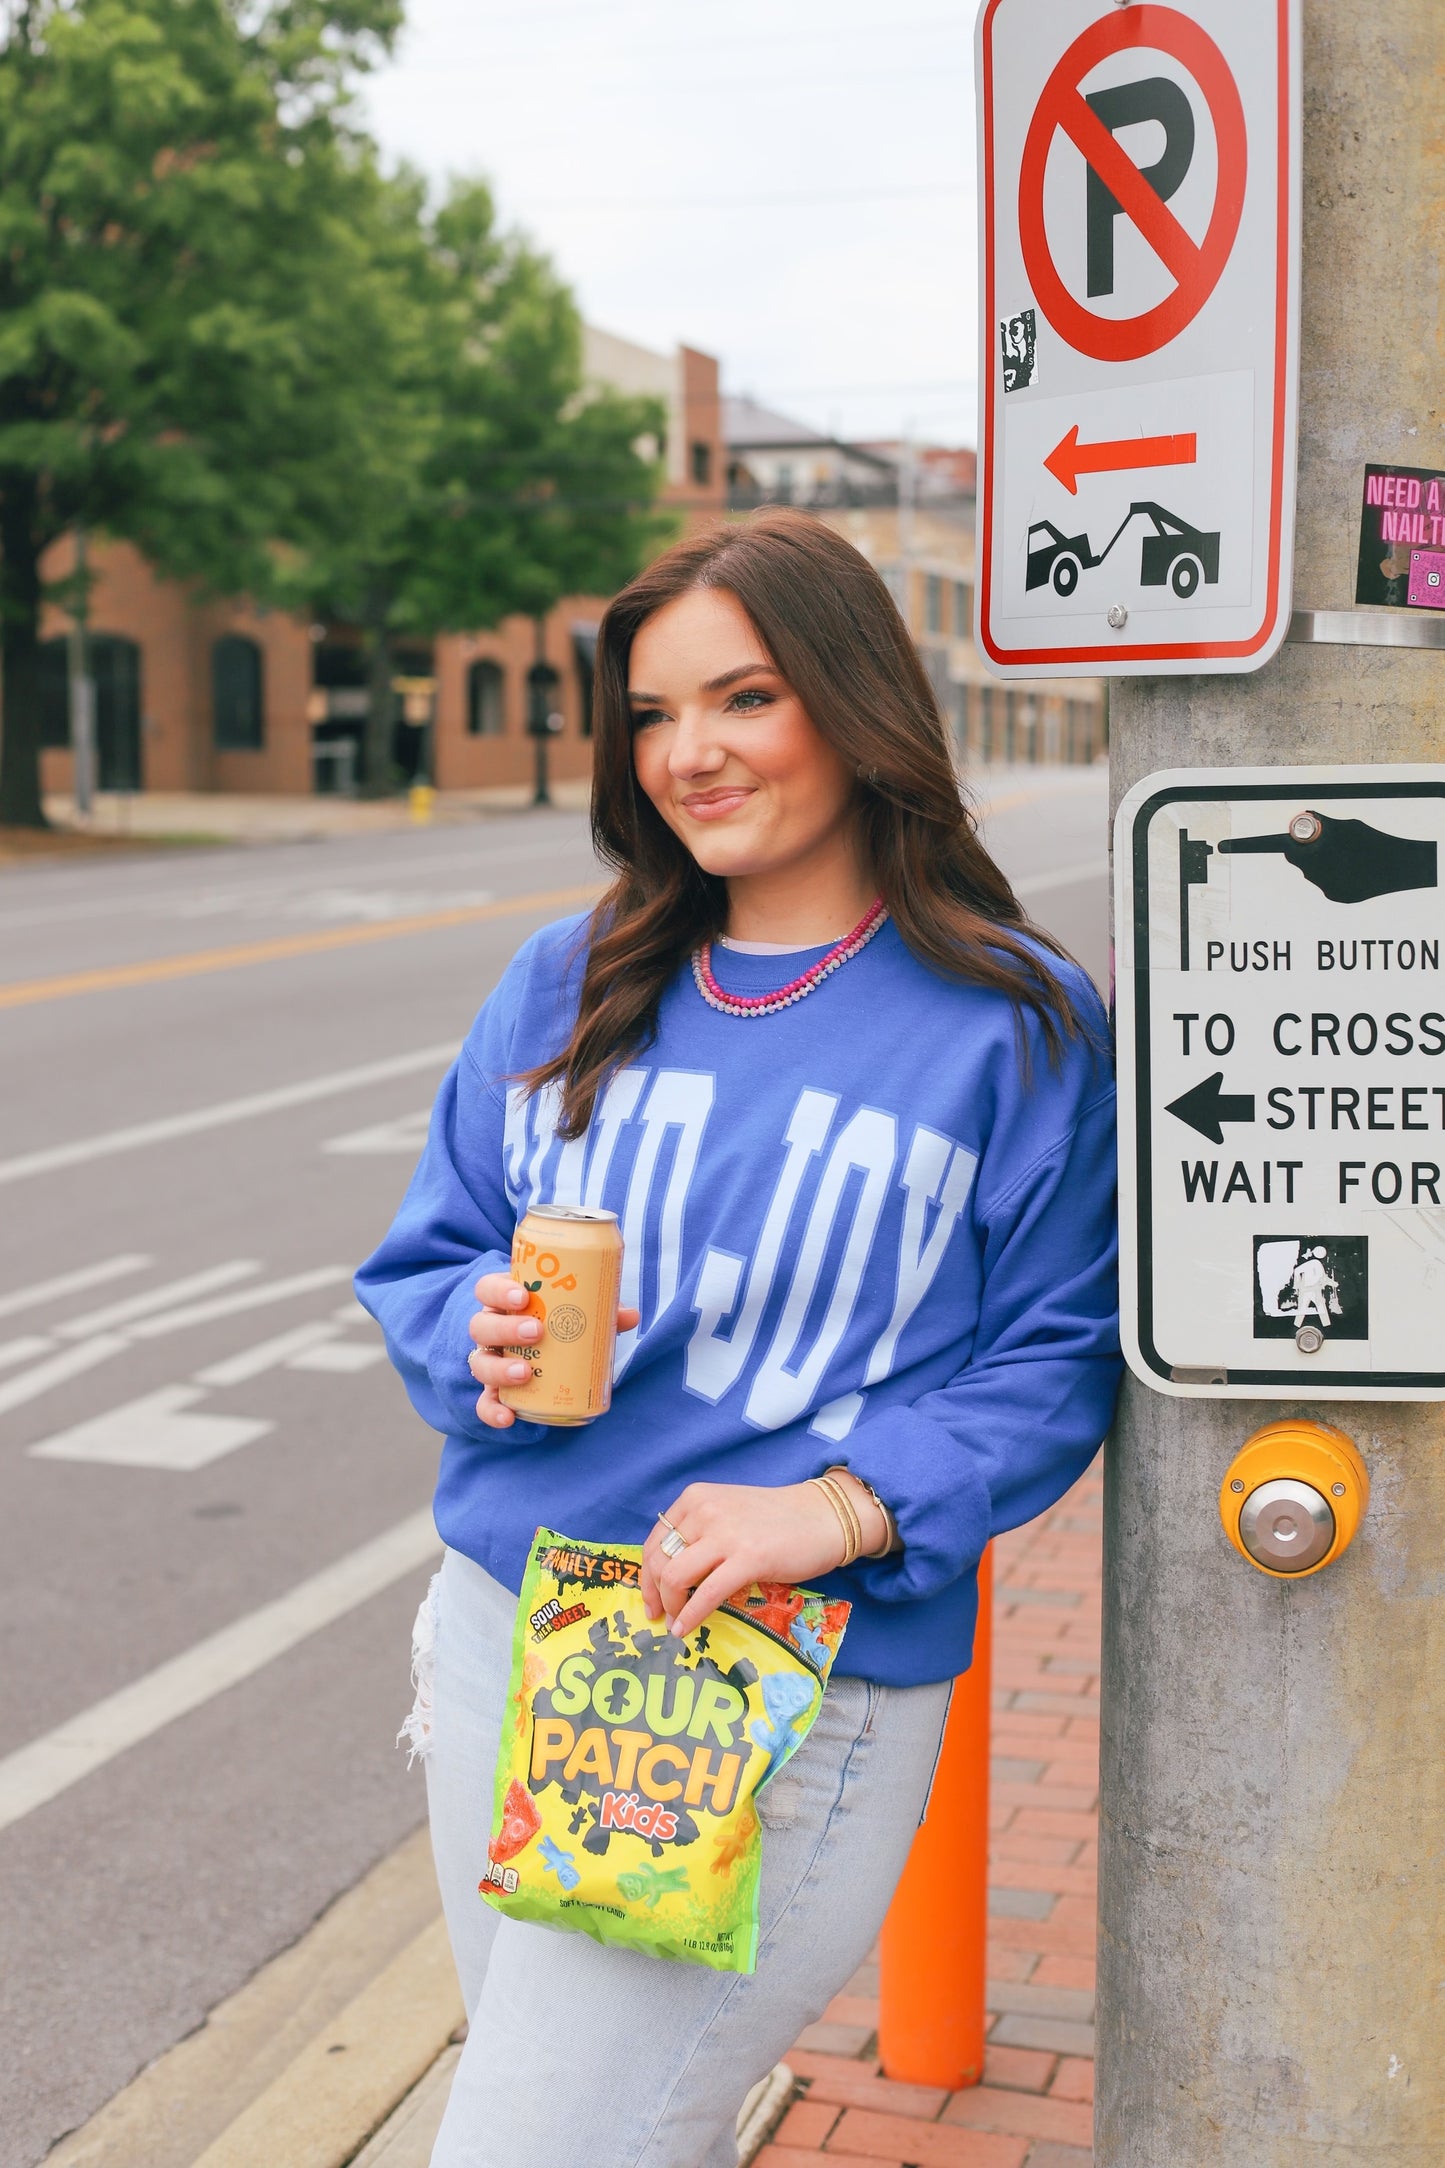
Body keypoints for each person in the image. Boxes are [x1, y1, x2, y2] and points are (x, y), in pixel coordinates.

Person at [355, 508, 1121, 2167]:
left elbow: (1058, 1355)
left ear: (852, 706)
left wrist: (842, 1508)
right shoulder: (568, 979)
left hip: (771, 1665)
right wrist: (465, 1333)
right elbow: (426, 1254)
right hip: (507, 1629)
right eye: (651, 713)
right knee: (626, 2130)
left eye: (742, 699)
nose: (687, 752)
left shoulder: (1015, 1025)